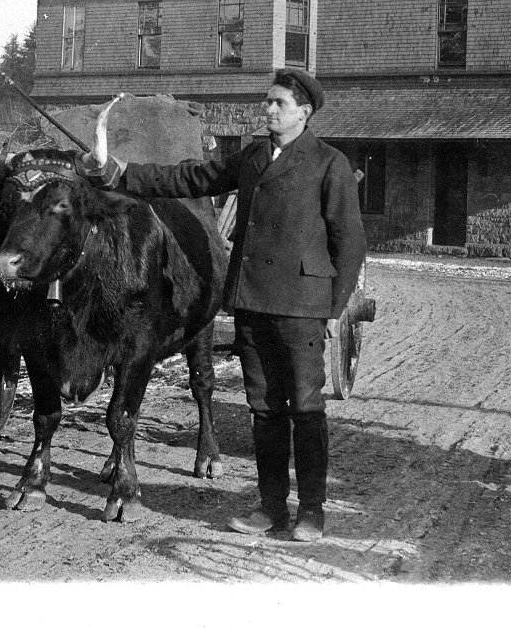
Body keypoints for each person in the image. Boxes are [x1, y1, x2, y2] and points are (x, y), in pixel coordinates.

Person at [83, 69, 367, 541]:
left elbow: (349, 243)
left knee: (306, 407)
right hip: (251, 301)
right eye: (267, 101)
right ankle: (271, 507)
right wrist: (124, 173)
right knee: (264, 408)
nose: (268, 109)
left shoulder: (329, 163)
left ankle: (312, 511)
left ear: (304, 112)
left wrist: (334, 310)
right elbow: (194, 177)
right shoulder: (253, 157)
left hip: (301, 306)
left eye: (278, 103)